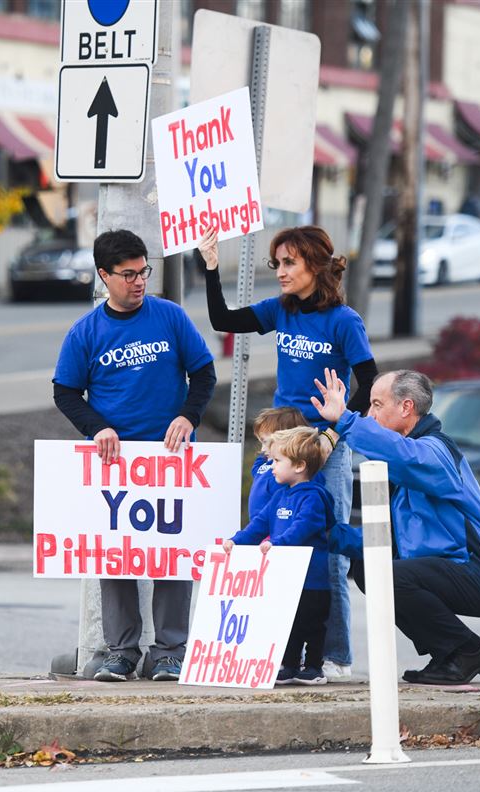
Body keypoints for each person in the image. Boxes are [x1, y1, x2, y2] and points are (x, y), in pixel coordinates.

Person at [199, 224, 376, 679]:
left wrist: (335, 434)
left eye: (289, 263)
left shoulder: (343, 321)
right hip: (281, 443)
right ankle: (276, 651)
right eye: (276, 263)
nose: (280, 271)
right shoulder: (282, 310)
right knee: (271, 536)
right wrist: (212, 265)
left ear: (315, 265)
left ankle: (333, 656)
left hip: (323, 447)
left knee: (327, 550)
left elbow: (369, 381)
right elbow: (225, 321)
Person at [53, 229, 216, 682]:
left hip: (170, 456)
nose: (139, 281)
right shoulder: (86, 331)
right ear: (104, 275)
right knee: (117, 554)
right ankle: (121, 651)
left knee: (172, 555)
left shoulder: (170, 317)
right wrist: (97, 427)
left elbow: (203, 374)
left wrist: (188, 416)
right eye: (128, 274)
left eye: (143, 271)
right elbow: (65, 391)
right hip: (116, 461)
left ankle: (169, 651)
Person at [311, 368, 480, 685]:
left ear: (406, 407)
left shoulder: (437, 451)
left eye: (378, 404)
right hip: (452, 568)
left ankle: (466, 650)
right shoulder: (406, 467)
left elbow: (406, 457)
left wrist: (346, 420)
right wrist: (329, 533)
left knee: (388, 576)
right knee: (370, 569)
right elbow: (389, 541)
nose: (370, 414)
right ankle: (448, 655)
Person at [223, 426, 336, 686]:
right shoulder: (278, 497)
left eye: (276, 461)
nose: (270, 466)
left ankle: (314, 666)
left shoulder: (313, 498)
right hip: (285, 577)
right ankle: (289, 664)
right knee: (288, 623)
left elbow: (303, 527)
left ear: (298, 465)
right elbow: (258, 525)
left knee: (312, 624)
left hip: (311, 580)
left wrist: (278, 543)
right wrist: (235, 542)